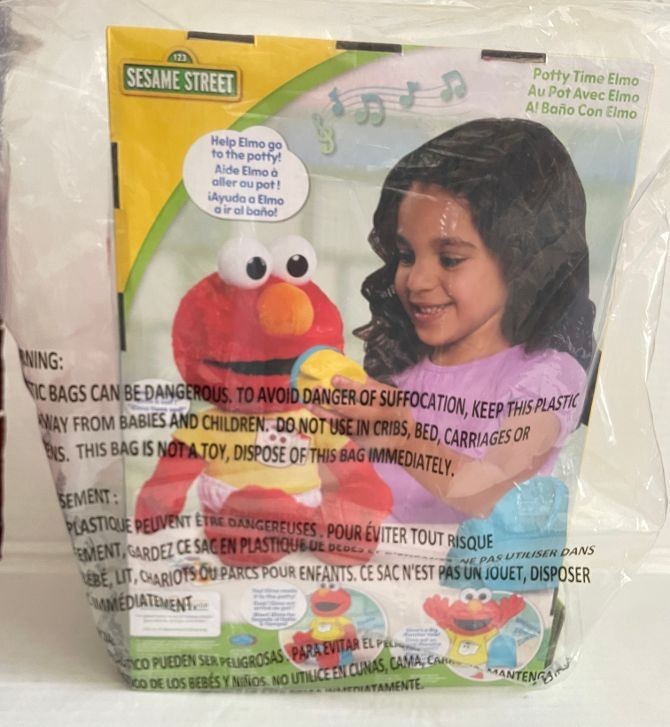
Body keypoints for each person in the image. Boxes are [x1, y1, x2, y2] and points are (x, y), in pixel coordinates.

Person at [317, 118, 595, 524]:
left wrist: (400, 437)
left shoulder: (545, 377)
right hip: (374, 561)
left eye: (449, 259)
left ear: (523, 260)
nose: (417, 281)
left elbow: (494, 490)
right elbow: (344, 482)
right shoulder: (404, 372)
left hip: (474, 567)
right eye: (406, 255)